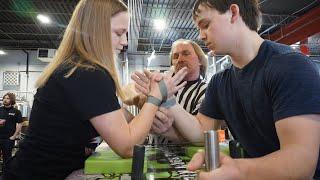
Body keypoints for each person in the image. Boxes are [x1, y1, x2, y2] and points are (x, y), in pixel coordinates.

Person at [133, 0, 320, 179]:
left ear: (233, 13)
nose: (200, 35)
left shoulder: (290, 67)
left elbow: (300, 163)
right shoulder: (220, 82)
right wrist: (167, 98)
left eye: (205, 25)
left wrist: (238, 169)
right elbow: (200, 131)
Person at [3, 0, 187, 179]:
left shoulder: (77, 69)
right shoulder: (87, 73)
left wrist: (147, 107)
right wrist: (155, 96)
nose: (124, 42)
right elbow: (127, 147)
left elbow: (126, 123)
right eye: (119, 33)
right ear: (95, 31)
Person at [131, 39, 209, 143]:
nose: (180, 59)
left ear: (200, 60)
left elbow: (199, 134)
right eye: (175, 56)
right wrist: (142, 98)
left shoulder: (207, 91)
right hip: (154, 152)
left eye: (186, 53)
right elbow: (128, 94)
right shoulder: (161, 82)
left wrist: (165, 130)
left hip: (187, 157)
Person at [0, 93, 22, 171]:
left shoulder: (16, 111)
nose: (5, 100)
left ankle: (5, 175)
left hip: (8, 139)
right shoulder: (0, 109)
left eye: (8, 98)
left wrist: (13, 136)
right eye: (4, 98)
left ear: (12, 100)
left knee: (7, 158)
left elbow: (19, 124)